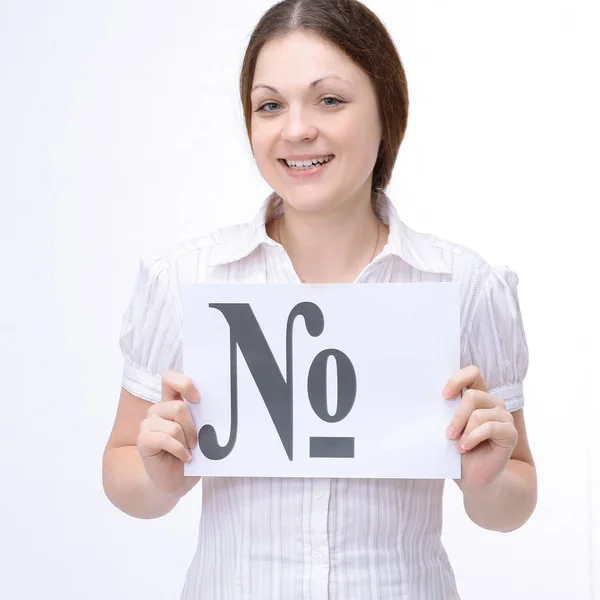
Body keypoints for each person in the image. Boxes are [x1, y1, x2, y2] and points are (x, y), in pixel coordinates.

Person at [102, 0, 538, 598]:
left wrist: (486, 479)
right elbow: (125, 475)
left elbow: (511, 504)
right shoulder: (184, 278)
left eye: (329, 99)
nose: (296, 128)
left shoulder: (464, 284)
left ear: (387, 112)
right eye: (270, 105)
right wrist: (159, 475)